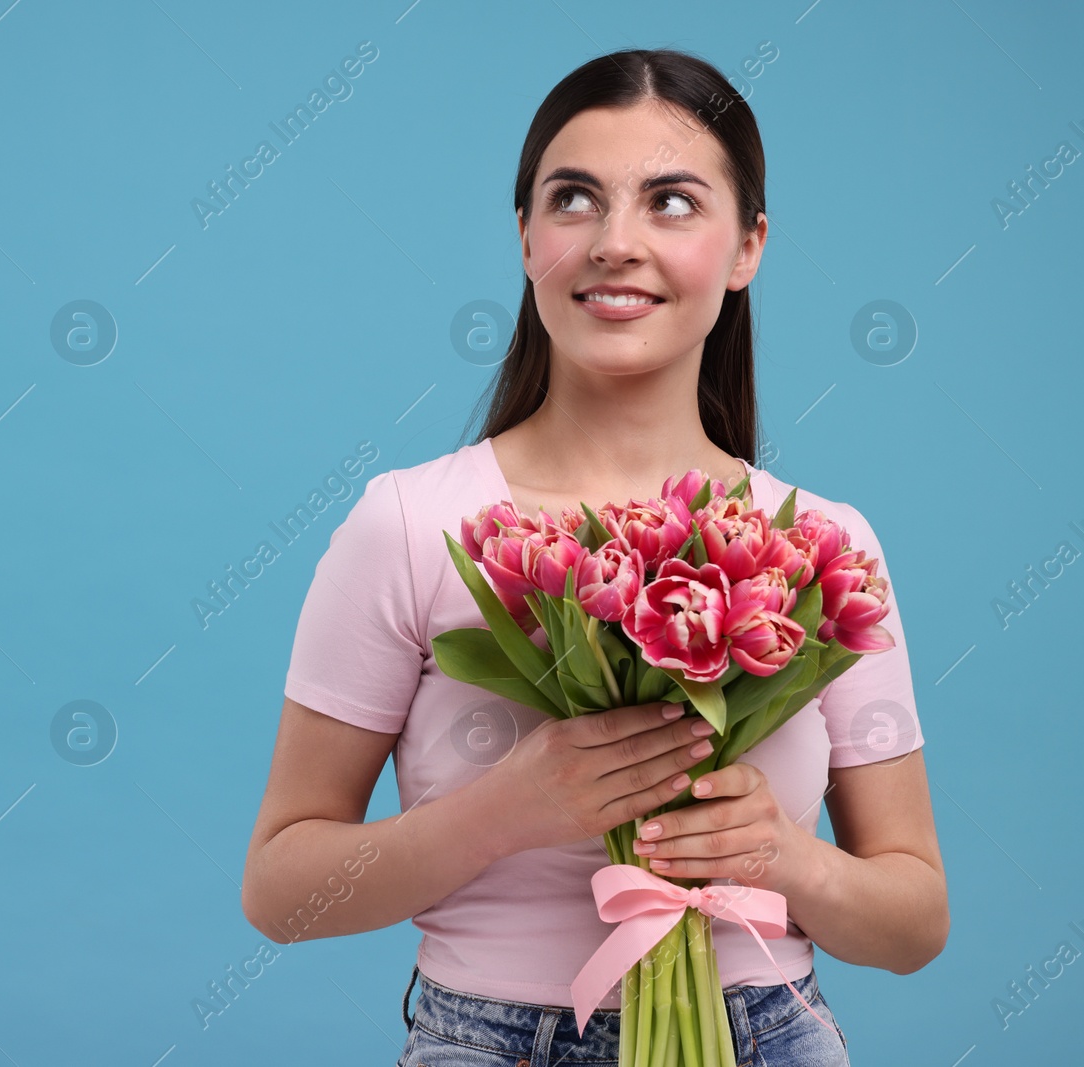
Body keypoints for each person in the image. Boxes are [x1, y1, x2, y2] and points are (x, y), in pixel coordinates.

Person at [240, 47, 947, 1065]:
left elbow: (914, 920)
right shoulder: (408, 525)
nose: (615, 243)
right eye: (573, 199)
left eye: (670, 202)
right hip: (487, 1042)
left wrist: (785, 856)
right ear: (526, 234)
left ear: (747, 244)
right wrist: (502, 812)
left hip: (771, 1036)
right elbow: (279, 890)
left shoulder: (822, 546)